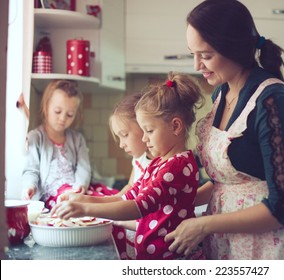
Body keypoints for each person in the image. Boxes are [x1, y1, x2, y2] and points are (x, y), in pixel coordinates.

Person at [165, 0, 284, 260]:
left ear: (235, 48)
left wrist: (203, 224)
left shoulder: (272, 100)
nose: (197, 65)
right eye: (192, 54)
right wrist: (176, 203)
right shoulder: (222, 93)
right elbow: (227, 184)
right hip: (230, 246)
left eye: (206, 55)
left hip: (272, 249)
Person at [52, 72, 206, 260]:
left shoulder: (176, 167)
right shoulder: (160, 163)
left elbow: (137, 207)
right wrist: (83, 200)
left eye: (149, 130)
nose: (144, 138)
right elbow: (128, 196)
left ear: (175, 127)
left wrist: (84, 209)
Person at [21, 79, 91, 210]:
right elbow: (31, 170)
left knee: (104, 203)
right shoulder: (35, 137)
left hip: (75, 192)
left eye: (70, 115)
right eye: (58, 111)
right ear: (46, 106)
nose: (63, 118)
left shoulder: (78, 139)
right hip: (52, 197)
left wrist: (80, 186)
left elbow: (84, 168)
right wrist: (29, 186)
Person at [108, 93, 153, 260]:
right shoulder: (139, 159)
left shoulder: (159, 167)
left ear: (144, 127)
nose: (121, 144)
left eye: (124, 135)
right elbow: (130, 189)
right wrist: (110, 202)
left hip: (147, 236)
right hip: (132, 231)